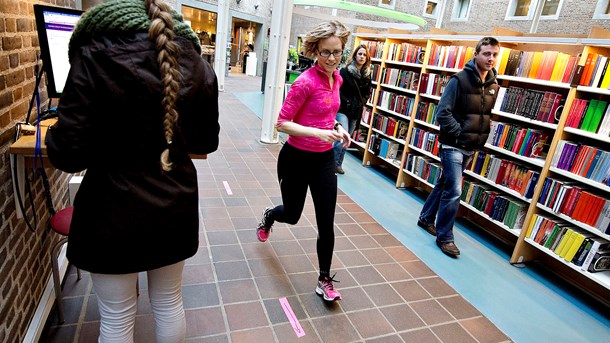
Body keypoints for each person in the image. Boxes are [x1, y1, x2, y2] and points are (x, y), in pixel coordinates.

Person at [45, 0, 220, 341]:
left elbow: (67, 155)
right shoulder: (194, 59)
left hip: (111, 209)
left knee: (116, 317)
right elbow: (205, 142)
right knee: (169, 303)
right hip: (173, 204)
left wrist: (57, 131)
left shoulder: (93, 52)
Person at [255, 20, 351, 302]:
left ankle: (324, 279)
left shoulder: (338, 78)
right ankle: (270, 216)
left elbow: (326, 114)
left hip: (323, 160)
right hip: (295, 159)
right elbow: (281, 123)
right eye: (325, 53)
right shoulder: (304, 82)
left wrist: (336, 128)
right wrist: (319, 133)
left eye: (336, 52)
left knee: (326, 223)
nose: (331, 59)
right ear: (315, 51)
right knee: (293, 215)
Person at [417, 37, 500, 257]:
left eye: (494, 54)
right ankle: (444, 237)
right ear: (476, 54)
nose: (490, 58)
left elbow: (484, 115)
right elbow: (442, 112)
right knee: (454, 191)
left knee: (444, 183)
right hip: (452, 145)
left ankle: (425, 218)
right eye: (486, 54)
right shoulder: (459, 80)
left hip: (472, 146)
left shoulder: (494, 85)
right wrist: (460, 134)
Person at [333, 44, 372, 174]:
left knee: (347, 138)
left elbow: (367, 93)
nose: (362, 57)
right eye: (360, 54)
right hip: (343, 109)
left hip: (356, 111)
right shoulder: (345, 71)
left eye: (364, 55)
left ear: (367, 58)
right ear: (355, 55)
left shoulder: (366, 75)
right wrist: (347, 101)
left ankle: (338, 164)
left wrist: (363, 102)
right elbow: (338, 89)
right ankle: (332, 163)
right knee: (342, 137)